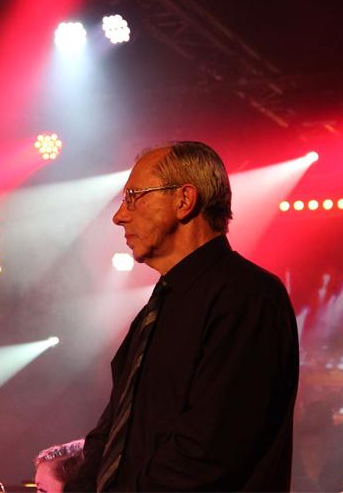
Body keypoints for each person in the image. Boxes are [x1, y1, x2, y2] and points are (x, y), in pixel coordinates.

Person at [65, 141, 299, 492]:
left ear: (184, 200)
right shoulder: (159, 306)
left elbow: (209, 450)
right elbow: (113, 432)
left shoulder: (247, 297)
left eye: (134, 197)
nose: (119, 216)